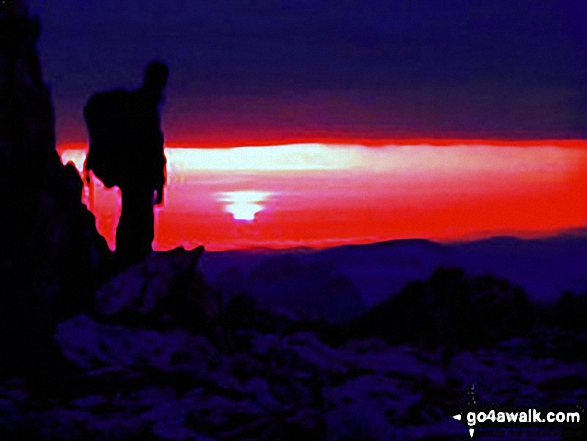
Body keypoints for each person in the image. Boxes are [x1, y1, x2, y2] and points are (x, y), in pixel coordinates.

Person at [85, 61, 169, 269]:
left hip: (135, 174)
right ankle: (131, 261)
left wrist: (158, 182)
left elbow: (153, 147)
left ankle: (129, 259)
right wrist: (159, 182)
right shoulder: (144, 107)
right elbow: (152, 147)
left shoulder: (140, 104)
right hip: (139, 175)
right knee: (137, 218)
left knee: (133, 216)